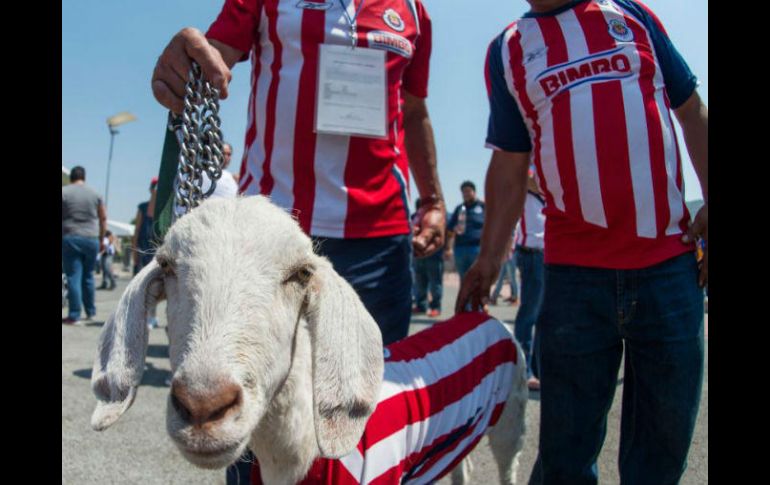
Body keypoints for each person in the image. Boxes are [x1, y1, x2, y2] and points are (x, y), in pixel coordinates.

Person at [151, 2, 446, 482]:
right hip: (272, 240)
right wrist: (186, 60)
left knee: (362, 411)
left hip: (379, 240)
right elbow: (215, 59)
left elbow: (413, 111)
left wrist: (432, 197)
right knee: (243, 407)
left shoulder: (413, 10)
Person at [457, 1, 708, 483]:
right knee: (565, 454)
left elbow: (692, 112)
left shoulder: (632, 14)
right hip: (575, 280)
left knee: (662, 449)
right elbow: (510, 165)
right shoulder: (508, 49)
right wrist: (488, 261)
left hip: (669, 267)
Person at [512, 169, 546, 391]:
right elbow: (528, 180)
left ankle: (539, 368)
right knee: (530, 314)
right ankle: (524, 370)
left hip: (551, 253)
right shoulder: (527, 166)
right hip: (532, 253)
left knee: (545, 315)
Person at [62, 166, 106, 324]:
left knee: (74, 276)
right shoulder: (95, 194)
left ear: (71, 177)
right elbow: (103, 218)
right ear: (84, 177)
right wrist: (101, 239)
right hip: (91, 239)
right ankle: (90, 312)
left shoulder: (64, 192)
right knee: (88, 276)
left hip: (71, 237)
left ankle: (74, 314)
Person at [132, 177, 160, 328]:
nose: (156, 190)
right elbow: (136, 230)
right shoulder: (142, 208)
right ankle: (140, 316)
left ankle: (152, 316)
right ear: (150, 189)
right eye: (154, 187)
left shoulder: (163, 210)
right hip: (142, 248)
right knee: (140, 286)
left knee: (154, 286)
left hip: (156, 251)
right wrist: (134, 250)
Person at [445, 181, 485, 281]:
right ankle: (465, 297)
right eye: (464, 192)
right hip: (460, 249)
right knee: (464, 280)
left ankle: (477, 297)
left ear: (474, 192)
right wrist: (449, 248)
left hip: (477, 249)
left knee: (477, 279)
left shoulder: (483, 207)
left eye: (468, 191)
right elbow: (449, 230)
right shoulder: (459, 209)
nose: (466, 194)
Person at [490, 234, 518, 305]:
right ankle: (494, 297)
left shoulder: (511, 229)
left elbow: (511, 241)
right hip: (505, 257)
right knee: (500, 278)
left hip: (509, 257)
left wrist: (506, 255)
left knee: (512, 279)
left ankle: (515, 298)